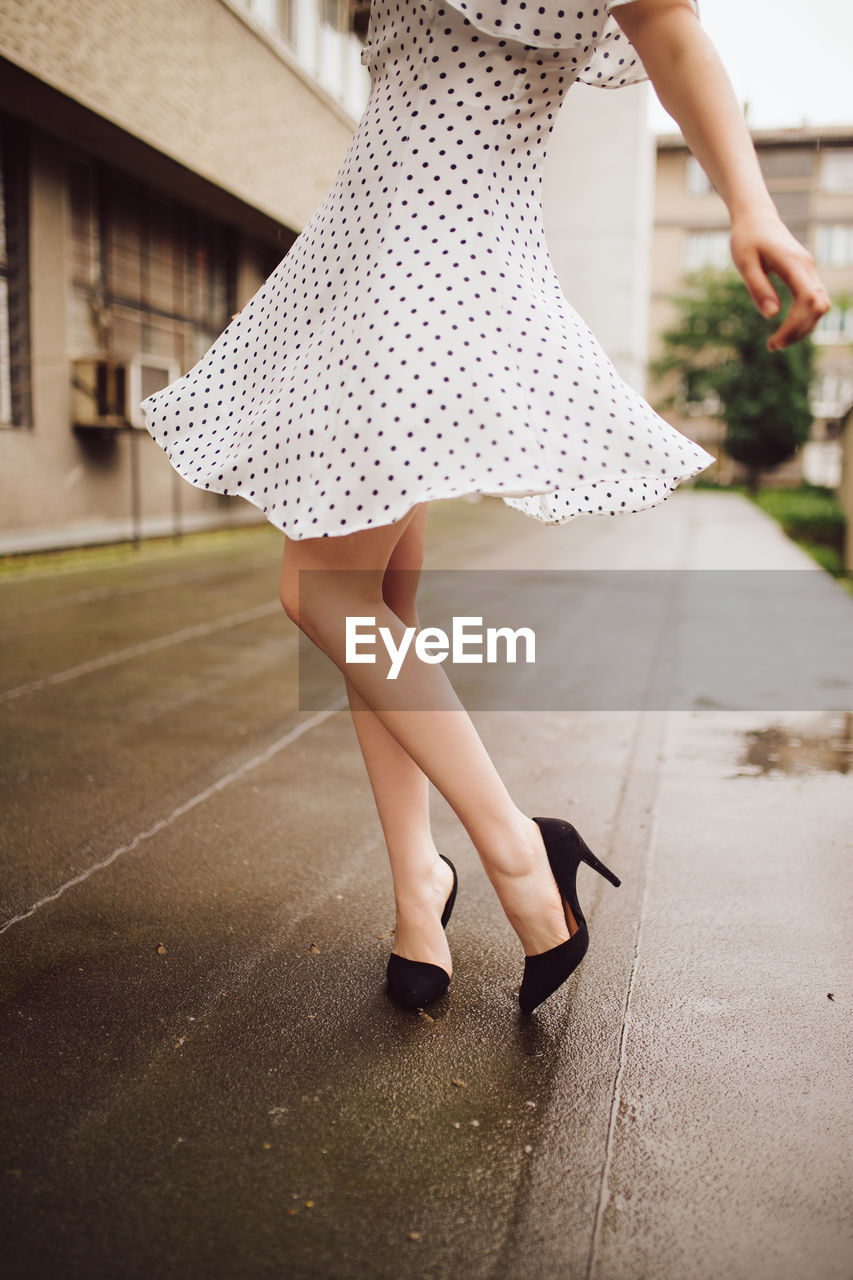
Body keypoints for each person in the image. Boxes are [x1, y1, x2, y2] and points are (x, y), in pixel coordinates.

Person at [140, 0, 830, 1014]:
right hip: (363, 252)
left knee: (320, 590)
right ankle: (419, 888)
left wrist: (748, 202)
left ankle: (516, 850)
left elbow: (666, 22)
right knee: (378, 602)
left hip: (441, 266)